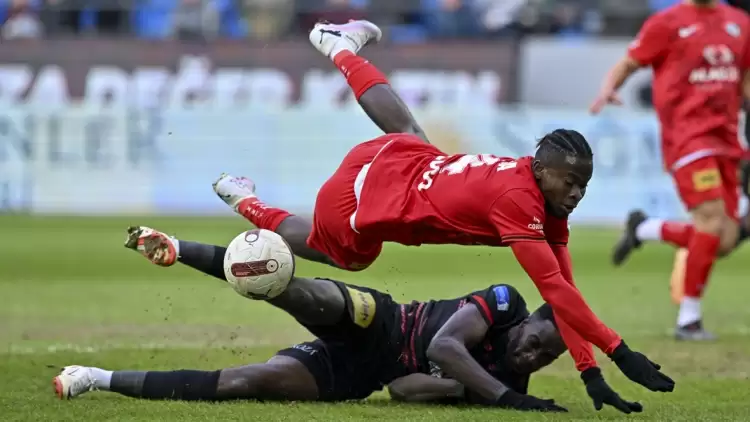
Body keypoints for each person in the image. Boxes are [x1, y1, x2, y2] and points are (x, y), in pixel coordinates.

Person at [203, 20, 674, 409]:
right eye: (569, 182)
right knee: (343, 256)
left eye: (583, 186)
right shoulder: (519, 204)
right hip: (359, 196)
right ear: (541, 169)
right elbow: (553, 290)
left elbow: (565, 292)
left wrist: (590, 372)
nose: (576, 194)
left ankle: (341, 47)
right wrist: (620, 351)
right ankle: (246, 200)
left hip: (399, 157)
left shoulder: (542, 194)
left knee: (410, 130)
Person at [52, 228, 644, 415]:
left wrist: (473, 391)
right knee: (291, 290)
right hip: (383, 319)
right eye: (539, 344)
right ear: (530, 323)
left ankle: (95, 377)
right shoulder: (508, 301)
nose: (534, 357)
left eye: (547, 361)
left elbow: (403, 389)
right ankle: (177, 247)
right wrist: (495, 396)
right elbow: (442, 344)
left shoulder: (508, 385)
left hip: (357, 372)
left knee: (245, 384)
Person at [590, 0, 750, 340]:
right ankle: (688, 320)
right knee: (709, 220)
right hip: (688, 140)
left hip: (728, 140)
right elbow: (631, 61)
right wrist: (608, 87)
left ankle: (645, 228)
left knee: (724, 240)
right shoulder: (667, 23)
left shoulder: (740, 23)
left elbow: (745, 79)